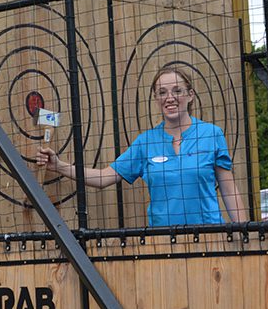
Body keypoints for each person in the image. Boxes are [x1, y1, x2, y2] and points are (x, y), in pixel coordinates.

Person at [35, 64, 245, 226]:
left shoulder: (212, 134)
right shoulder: (146, 142)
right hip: (164, 243)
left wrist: (244, 231)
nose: (169, 98)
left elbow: (228, 189)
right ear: (156, 99)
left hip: (210, 239)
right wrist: (59, 166)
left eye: (177, 91)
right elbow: (103, 178)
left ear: (190, 96)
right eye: (162, 92)